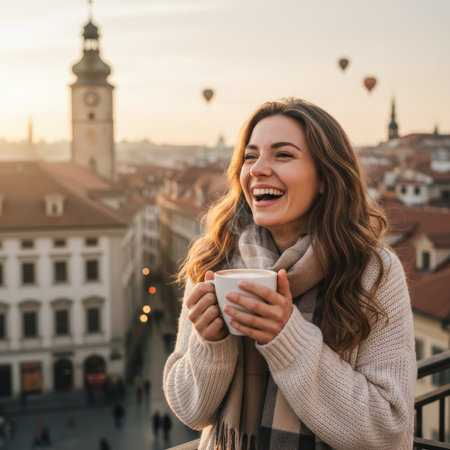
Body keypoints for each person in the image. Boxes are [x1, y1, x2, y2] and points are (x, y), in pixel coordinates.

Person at [163, 98, 417, 449]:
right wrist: (210, 344)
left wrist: (287, 338)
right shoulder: (216, 260)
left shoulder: (372, 271)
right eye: (250, 156)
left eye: (282, 155)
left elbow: (388, 428)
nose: (258, 169)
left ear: (325, 178)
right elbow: (191, 411)